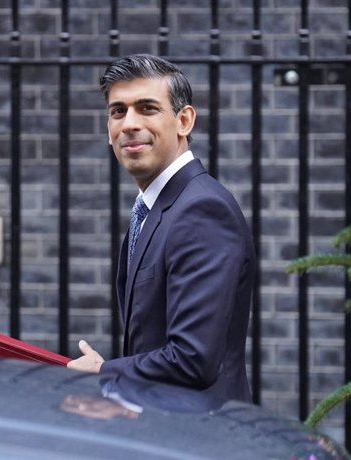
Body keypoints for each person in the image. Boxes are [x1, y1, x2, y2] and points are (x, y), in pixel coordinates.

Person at [67, 54, 255, 403]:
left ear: (184, 121)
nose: (128, 124)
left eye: (147, 108)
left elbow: (192, 359)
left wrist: (104, 372)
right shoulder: (158, 207)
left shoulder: (201, 210)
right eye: (117, 111)